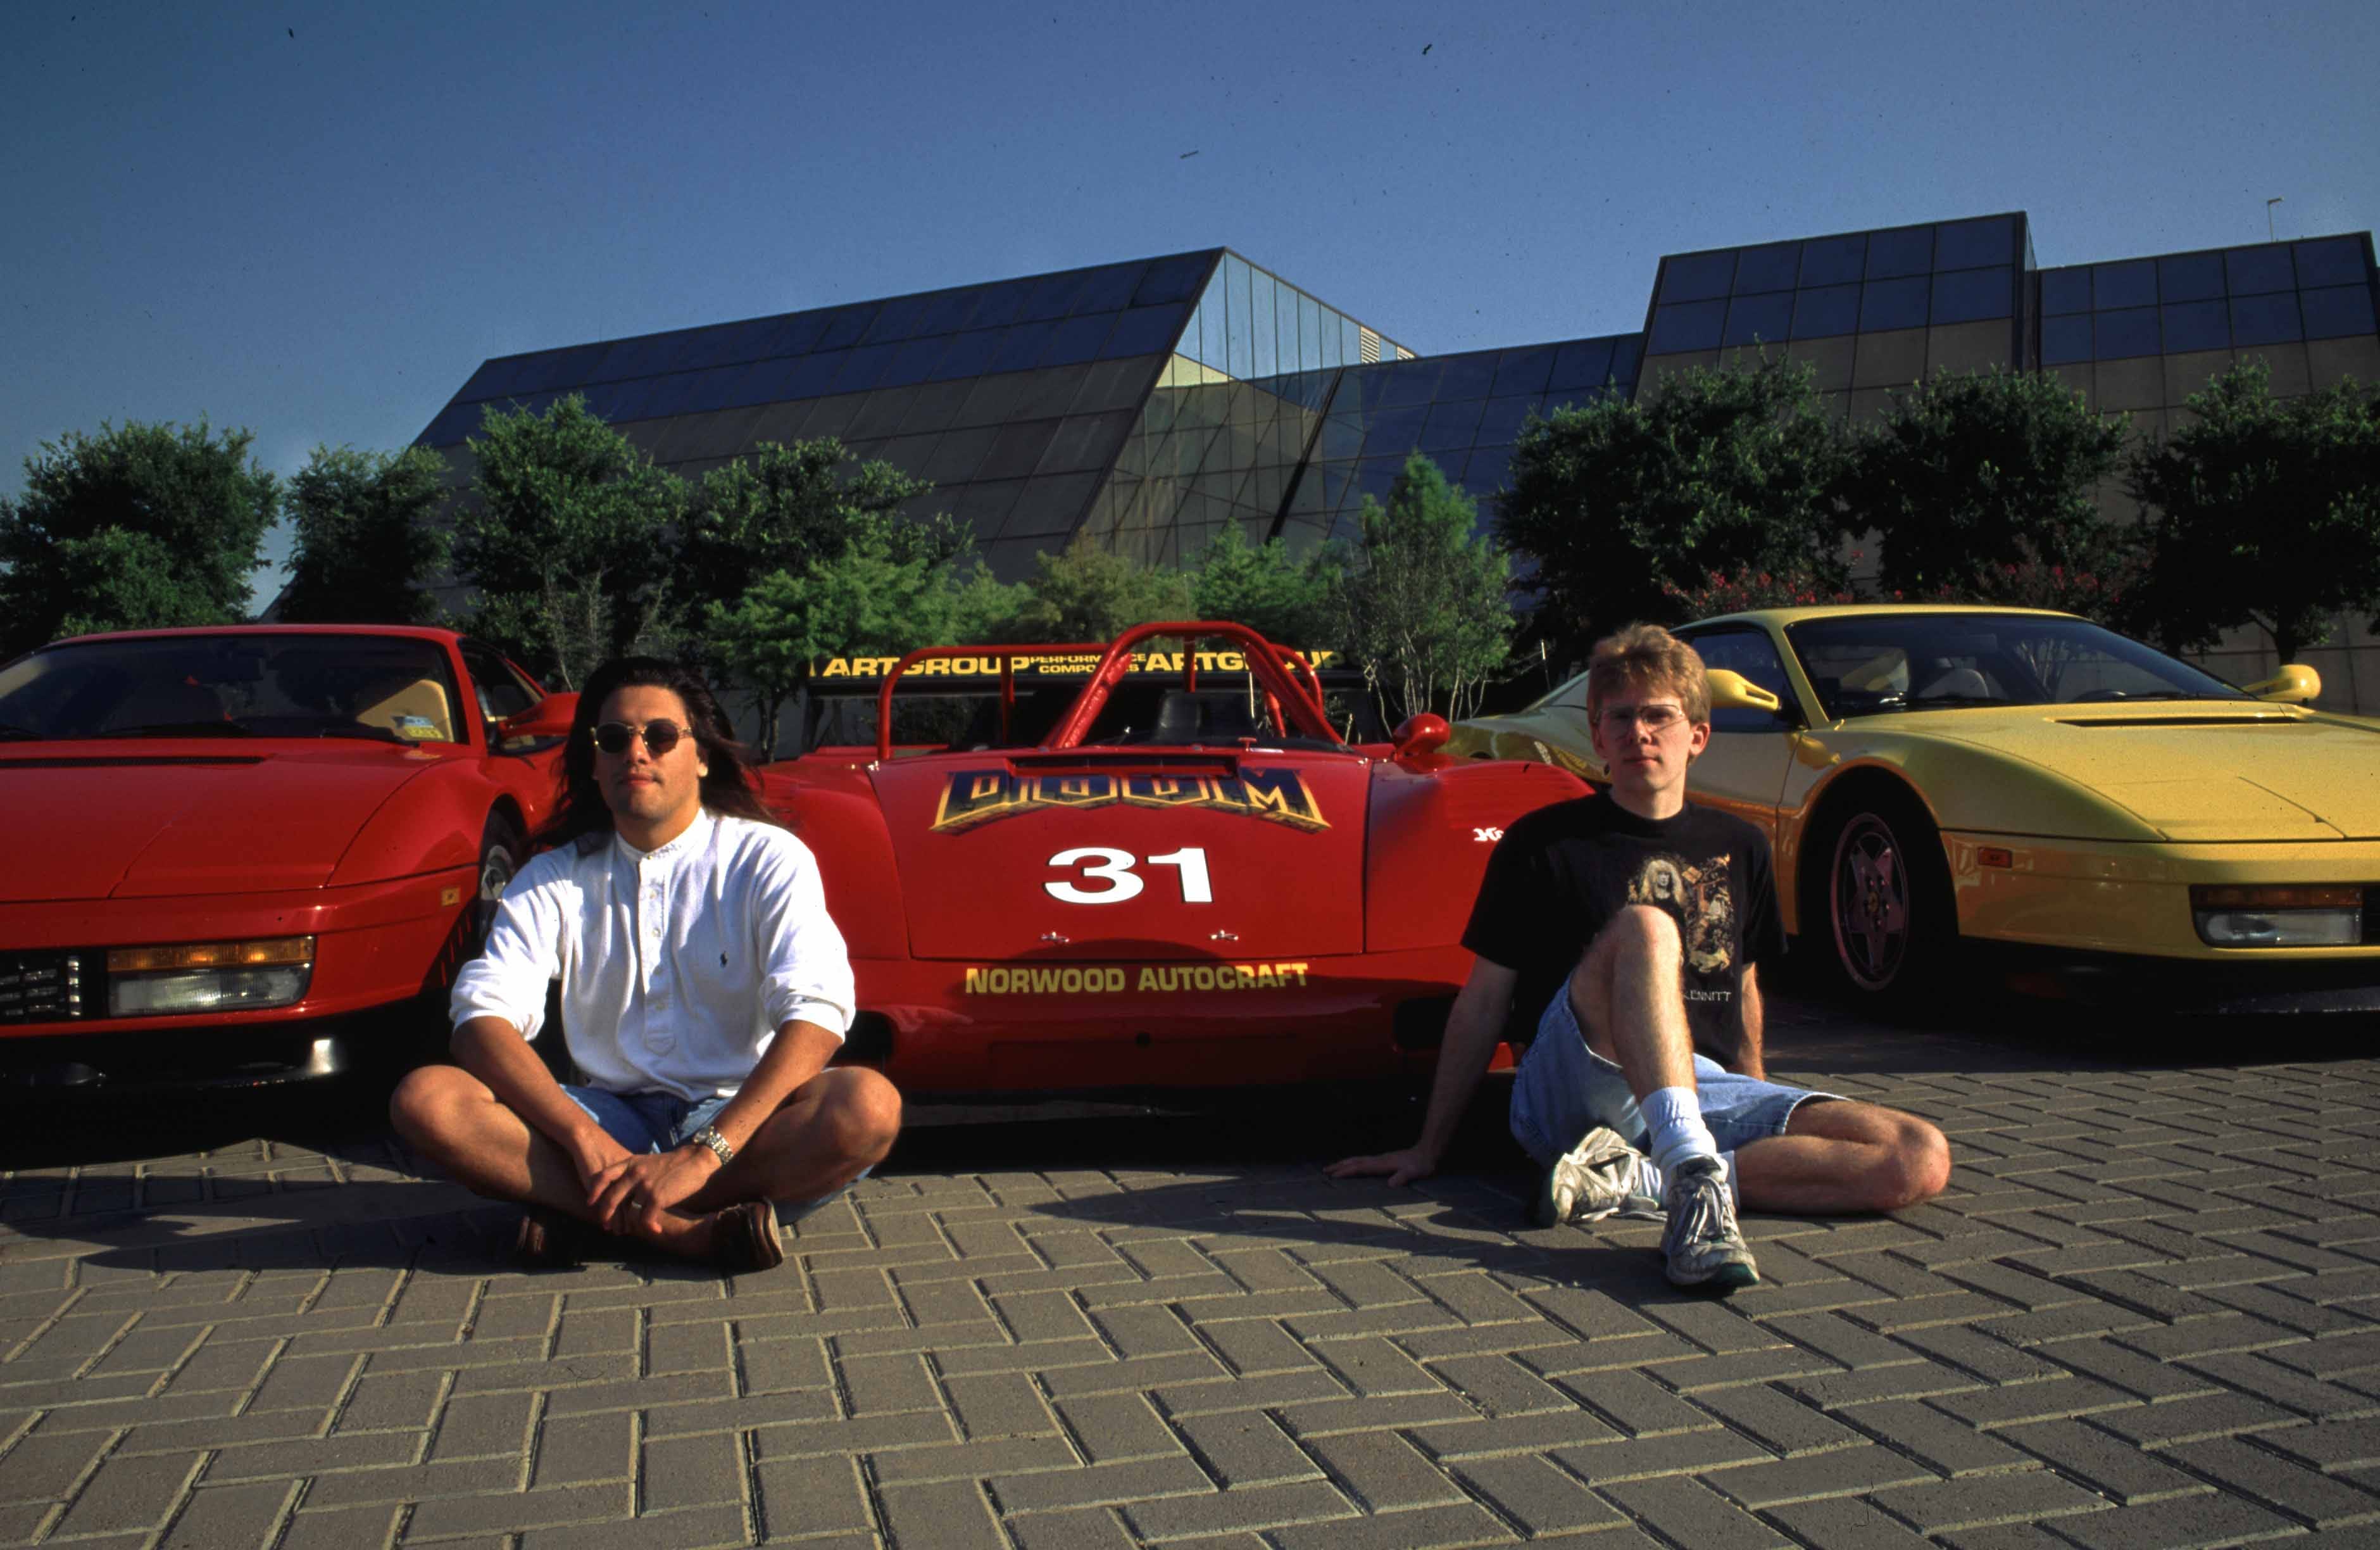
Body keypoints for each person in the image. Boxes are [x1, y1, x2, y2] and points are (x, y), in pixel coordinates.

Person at [1329, 624, 1949, 1292]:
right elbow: (1482, 1000)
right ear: (1597, 738)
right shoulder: (1543, 843)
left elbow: (1742, 986)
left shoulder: (1739, 845)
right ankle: (1693, 1182)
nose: (1639, 734)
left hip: (1697, 1083)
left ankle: (1643, 1178)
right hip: (1568, 1090)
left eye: (1659, 716)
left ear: (1698, 736)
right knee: (1649, 930)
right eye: (1619, 719)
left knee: (1916, 1157)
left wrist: (1758, 1092)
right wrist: (1430, 1148)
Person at [390, 657, 901, 1273]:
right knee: (428, 1099)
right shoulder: (552, 875)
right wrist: (586, 1142)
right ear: (595, 764)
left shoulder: (766, 858)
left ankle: (592, 1215)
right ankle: (680, 1232)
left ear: (702, 757)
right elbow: (480, 1019)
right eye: (614, 739)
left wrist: (703, 1154)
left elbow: (818, 1011)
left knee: (867, 1109)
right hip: (607, 1120)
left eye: (660, 736)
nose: (637, 752)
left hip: (736, 1122)